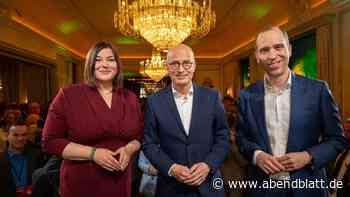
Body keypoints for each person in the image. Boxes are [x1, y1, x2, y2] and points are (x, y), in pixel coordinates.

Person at [236, 26, 348, 197]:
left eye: (278, 47)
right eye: (265, 50)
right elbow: (241, 139)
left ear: (289, 49)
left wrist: (308, 156)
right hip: (262, 189)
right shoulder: (246, 95)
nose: (272, 55)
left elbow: (337, 139)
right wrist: (257, 156)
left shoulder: (318, 90)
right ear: (257, 56)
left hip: (308, 187)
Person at [42, 41, 143, 197]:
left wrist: (129, 150)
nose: (104, 64)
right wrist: (93, 154)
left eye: (110, 59)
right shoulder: (68, 95)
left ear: (117, 65)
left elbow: (138, 137)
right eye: (98, 60)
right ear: (90, 64)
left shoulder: (130, 98)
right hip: (81, 184)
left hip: (120, 183)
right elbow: (50, 141)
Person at [143, 44, 229, 197]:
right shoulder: (154, 102)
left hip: (209, 185)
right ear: (167, 67)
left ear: (194, 66)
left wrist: (208, 165)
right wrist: (171, 167)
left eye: (186, 63)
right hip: (171, 188)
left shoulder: (212, 96)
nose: (181, 69)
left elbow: (222, 137)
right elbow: (149, 144)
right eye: (175, 63)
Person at [0, 123, 43, 197]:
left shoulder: (37, 155)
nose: (20, 138)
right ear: (7, 136)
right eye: (15, 135)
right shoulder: (1, 159)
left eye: (24, 135)